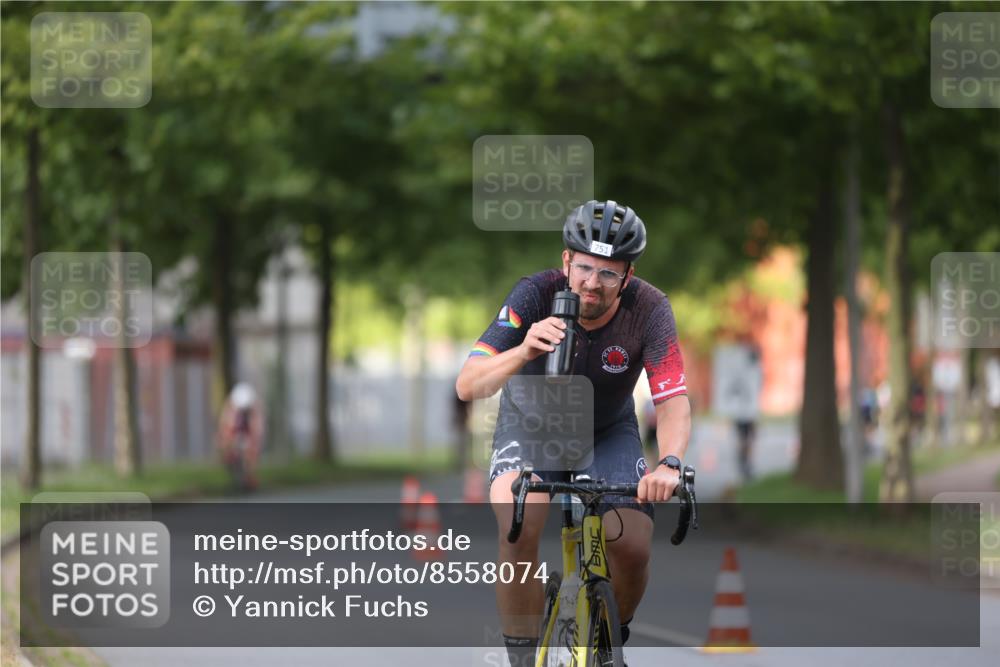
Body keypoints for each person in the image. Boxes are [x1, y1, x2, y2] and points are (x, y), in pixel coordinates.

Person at [455, 200, 691, 667]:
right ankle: (522, 657)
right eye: (584, 268)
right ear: (566, 261)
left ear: (627, 275)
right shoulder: (534, 294)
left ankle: (608, 637)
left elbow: (672, 399)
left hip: (607, 429)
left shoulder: (650, 308)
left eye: (608, 273)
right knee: (520, 519)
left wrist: (670, 463)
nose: (592, 283)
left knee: (632, 543)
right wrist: (523, 350)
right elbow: (468, 384)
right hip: (531, 427)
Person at [216, 382, 264, 490]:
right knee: (227, 449)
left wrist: (254, 440)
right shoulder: (230, 407)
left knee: (251, 453)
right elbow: (225, 425)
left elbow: (257, 427)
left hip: (247, 433)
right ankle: (231, 465)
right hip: (235, 432)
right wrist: (225, 440)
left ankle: (250, 476)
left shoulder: (254, 408)